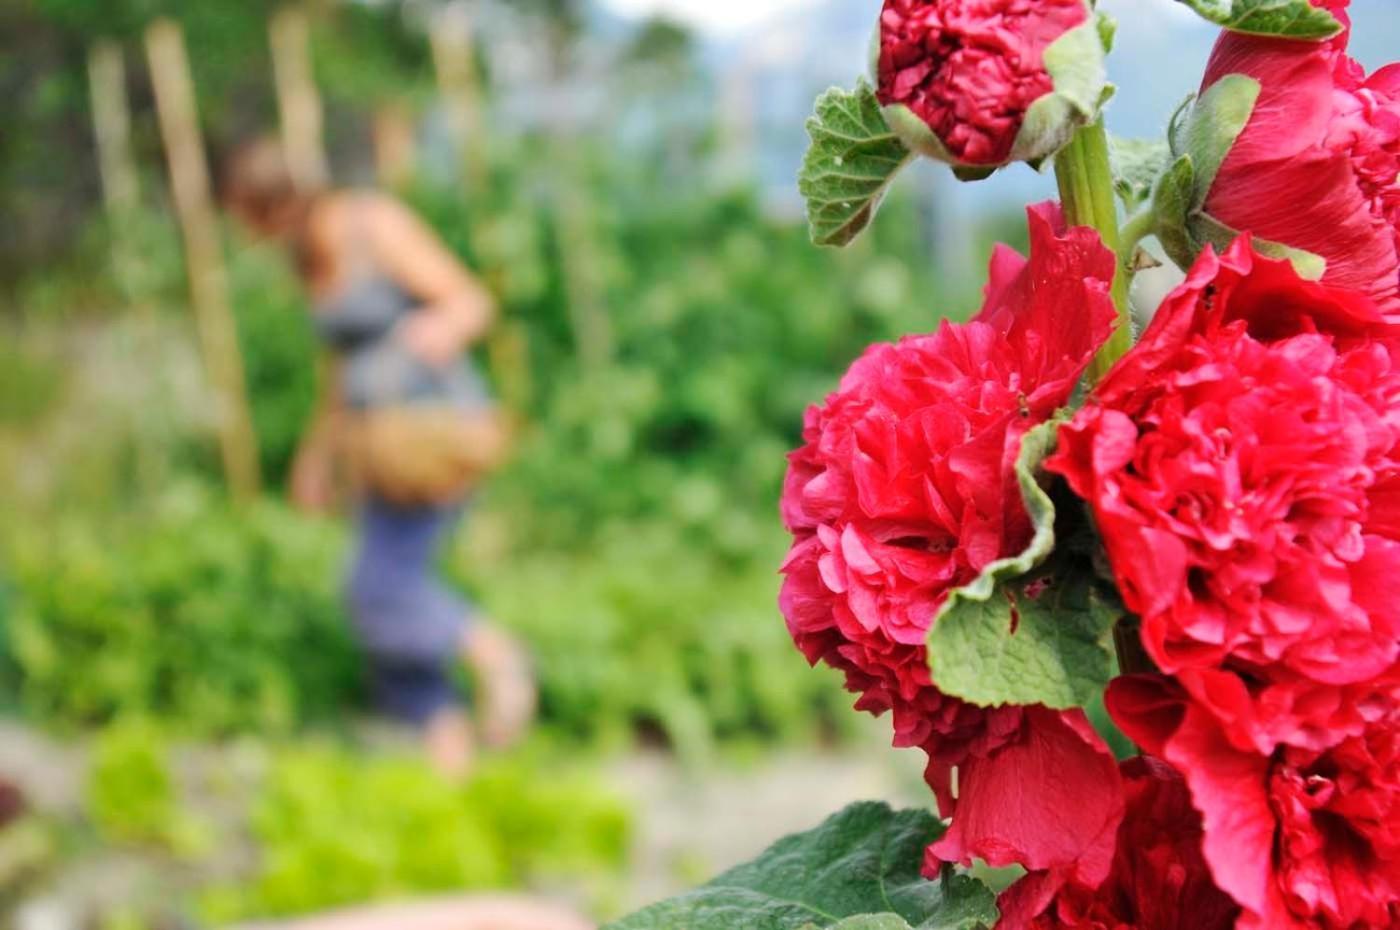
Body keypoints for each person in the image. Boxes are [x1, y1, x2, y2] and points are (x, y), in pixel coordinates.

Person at [222, 138, 534, 775]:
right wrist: (317, 458)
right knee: (376, 583)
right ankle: (446, 744)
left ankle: (494, 654)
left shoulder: (372, 223)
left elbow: (470, 301)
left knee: (379, 586)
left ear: (271, 206)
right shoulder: (308, 255)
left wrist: (425, 335)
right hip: (374, 449)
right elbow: (337, 368)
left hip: (431, 435)